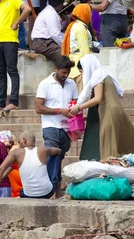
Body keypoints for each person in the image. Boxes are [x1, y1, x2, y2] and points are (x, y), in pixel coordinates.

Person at [70, 55, 134, 160]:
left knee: (108, 144)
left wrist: (79, 107)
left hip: (109, 112)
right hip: (116, 110)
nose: (82, 75)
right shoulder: (104, 74)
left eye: (82, 72)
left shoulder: (98, 76)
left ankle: (110, 171)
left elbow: (98, 98)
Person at [35, 57, 78, 198]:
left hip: (66, 128)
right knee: (53, 159)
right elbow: (38, 108)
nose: (65, 75)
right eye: (63, 72)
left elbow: (75, 104)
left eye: (68, 72)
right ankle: (51, 191)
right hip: (51, 126)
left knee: (58, 160)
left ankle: (56, 192)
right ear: (56, 69)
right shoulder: (45, 84)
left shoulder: (71, 83)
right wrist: (59, 110)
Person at [0, 132, 61, 199]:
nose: (18, 145)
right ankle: (58, 194)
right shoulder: (43, 150)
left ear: (24, 141)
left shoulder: (16, 152)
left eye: (19, 142)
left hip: (28, 194)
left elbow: (1, 169)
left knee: (22, 191)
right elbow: (59, 151)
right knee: (56, 156)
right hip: (47, 192)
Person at [31, 0, 65, 64]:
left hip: (43, 42)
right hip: (42, 43)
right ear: (60, 5)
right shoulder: (50, 13)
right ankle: (61, 74)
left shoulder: (48, 11)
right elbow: (55, 34)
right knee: (63, 56)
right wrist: (65, 45)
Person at [61, 3, 93, 78]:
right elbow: (84, 49)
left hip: (75, 64)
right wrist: (89, 66)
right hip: (79, 68)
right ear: (84, 13)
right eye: (89, 12)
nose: (91, 15)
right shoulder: (80, 28)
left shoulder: (77, 25)